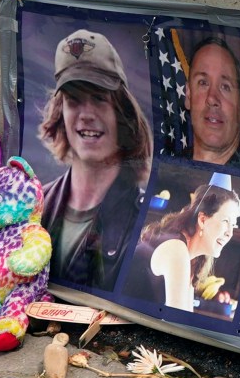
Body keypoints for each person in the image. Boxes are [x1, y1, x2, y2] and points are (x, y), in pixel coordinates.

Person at [35, 29, 154, 290]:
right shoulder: (34, 207)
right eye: (73, 101)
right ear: (60, 113)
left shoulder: (146, 224)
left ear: (122, 114)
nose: (86, 114)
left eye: (99, 99)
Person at [134, 183, 240, 314]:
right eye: (225, 221)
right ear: (202, 220)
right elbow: (178, 322)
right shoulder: (176, 249)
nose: (230, 233)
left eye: (233, 225)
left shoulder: (190, 256)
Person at [182, 34, 240, 169]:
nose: (212, 98)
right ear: (188, 95)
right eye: (203, 83)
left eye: (225, 86)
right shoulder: (162, 173)